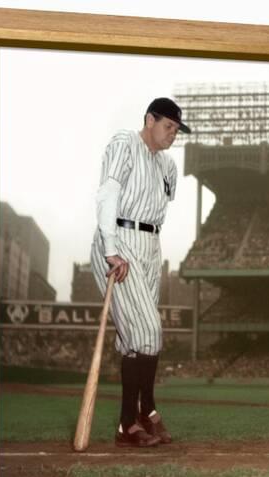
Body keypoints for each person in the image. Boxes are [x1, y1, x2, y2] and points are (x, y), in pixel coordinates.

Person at [90, 98, 191, 447]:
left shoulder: (168, 166)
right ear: (150, 119)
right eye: (168, 127)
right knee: (149, 331)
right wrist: (110, 250)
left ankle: (127, 425)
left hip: (151, 246)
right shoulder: (124, 143)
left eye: (177, 130)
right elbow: (108, 194)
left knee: (136, 344)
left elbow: (159, 203)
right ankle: (146, 409)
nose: (172, 135)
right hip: (121, 240)